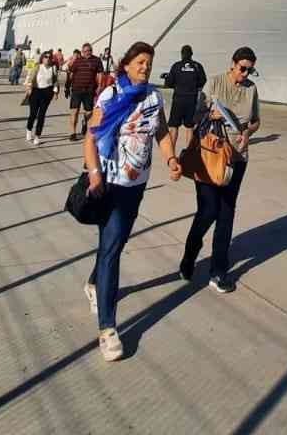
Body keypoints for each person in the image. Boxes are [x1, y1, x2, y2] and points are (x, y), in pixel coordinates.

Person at [82, 41, 181, 362]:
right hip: (110, 183)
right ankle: (108, 328)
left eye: (149, 63)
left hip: (136, 186)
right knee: (112, 249)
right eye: (140, 62)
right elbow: (90, 138)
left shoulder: (154, 97)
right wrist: (94, 175)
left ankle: (94, 283)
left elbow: (161, 132)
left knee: (116, 243)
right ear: (126, 65)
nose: (145, 68)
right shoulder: (110, 95)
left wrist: (171, 159)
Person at [178, 47, 262, 292]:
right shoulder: (214, 83)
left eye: (250, 70)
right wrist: (209, 114)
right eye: (242, 68)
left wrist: (248, 132)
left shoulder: (251, 89)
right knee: (208, 211)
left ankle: (218, 271)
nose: (245, 74)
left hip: (237, 158)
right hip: (210, 156)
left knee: (226, 213)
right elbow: (194, 117)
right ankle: (190, 254)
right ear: (232, 64)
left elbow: (256, 120)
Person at [161, 44, 206, 135]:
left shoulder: (176, 66)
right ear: (191, 54)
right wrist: (193, 85)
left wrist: (175, 83)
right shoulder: (197, 66)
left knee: (174, 126)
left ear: (181, 54)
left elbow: (169, 83)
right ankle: (189, 145)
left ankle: (172, 145)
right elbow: (203, 81)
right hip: (192, 100)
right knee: (189, 127)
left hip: (178, 100)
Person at [67, 43, 104, 142]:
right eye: (86, 51)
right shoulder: (77, 61)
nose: (88, 52)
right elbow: (71, 73)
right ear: (82, 52)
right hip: (76, 90)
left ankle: (85, 121)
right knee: (74, 111)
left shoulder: (97, 60)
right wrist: (68, 86)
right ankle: (73, 133)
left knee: (89, 112)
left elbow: (100, 73)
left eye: (89, 50)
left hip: (89, 90)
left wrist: (100, 86)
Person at [21, 51, 58, 145]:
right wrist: (29, 87)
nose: (48, 59)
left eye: (49, 57)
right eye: (46, 57)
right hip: (36, 92)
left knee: (41, 115)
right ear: (42, 58)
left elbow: (55, 81)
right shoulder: (37, 66)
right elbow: (30, 78)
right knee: (33, 114)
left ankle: (37, 136)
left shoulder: (53, 68)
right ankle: (29, 130)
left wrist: (55, 92)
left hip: (47, 93)